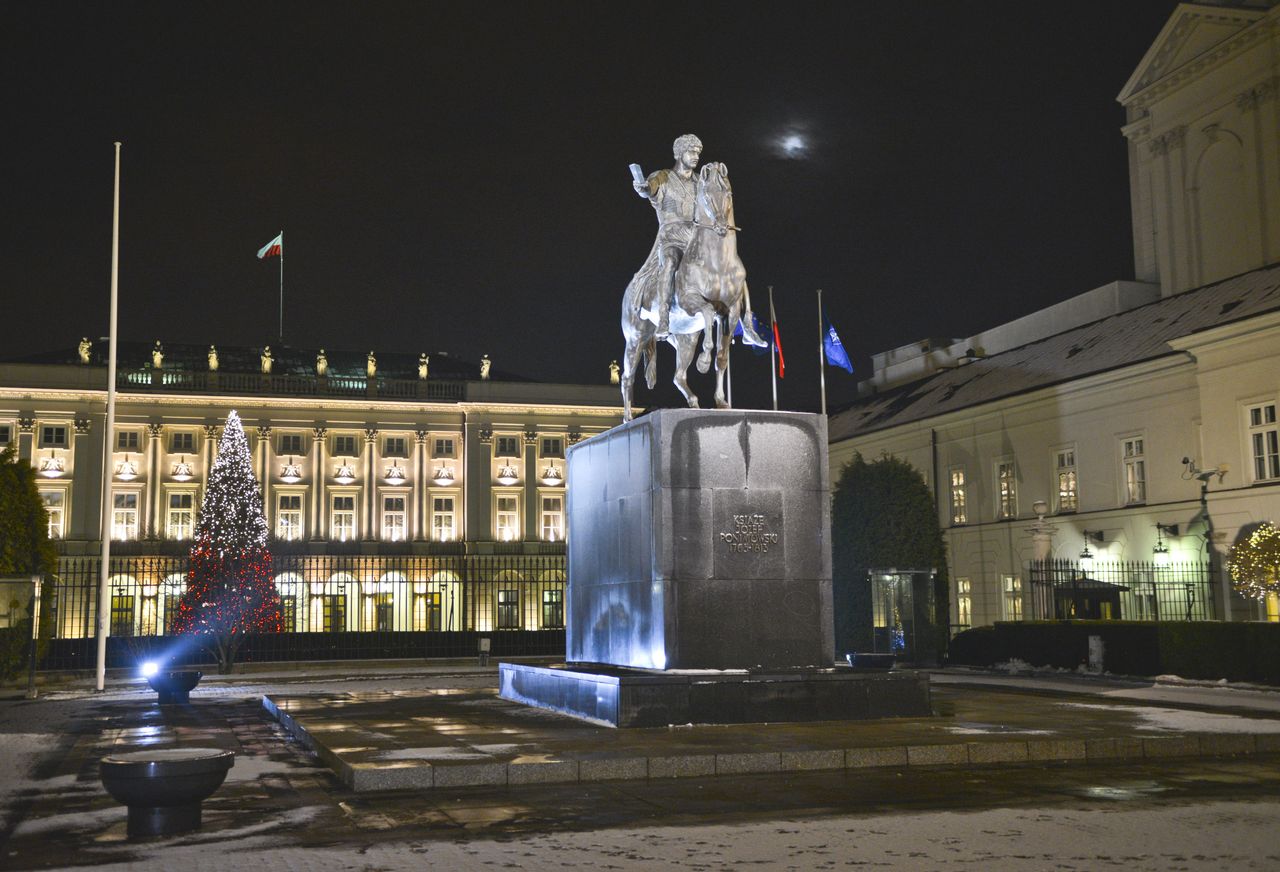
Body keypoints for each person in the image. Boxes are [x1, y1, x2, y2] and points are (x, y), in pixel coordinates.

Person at [633, 134, 703, 338]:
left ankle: (741, 318)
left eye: (698, 152)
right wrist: (645, 189)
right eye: (691, 151)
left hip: (696, 239)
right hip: (671, 237)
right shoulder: (662, 176)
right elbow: (650, 188)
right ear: (680, 153)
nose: (696, 156)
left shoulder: (700, 182)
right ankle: (663, 318)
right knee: (671, 261)